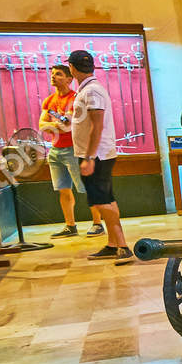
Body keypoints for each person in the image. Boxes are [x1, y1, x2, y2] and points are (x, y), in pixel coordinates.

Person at [67, 49, 130, 263]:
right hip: (95, 153)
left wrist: (89, 157)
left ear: (72, 68)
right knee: (104, 199)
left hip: (97, 155)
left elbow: (97, 125)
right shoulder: (87, 90)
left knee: (103, 201)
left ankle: (123, 246)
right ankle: (113, 244)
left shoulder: (92, 91)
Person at [37, 65, 92, 238]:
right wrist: (55, 126)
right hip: (55, 150)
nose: (53, 77)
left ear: (69, 79)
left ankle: (98, 223)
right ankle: (70, 226)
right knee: (63, 190)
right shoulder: (49, 100)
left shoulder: (75, 98)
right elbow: (41, 125)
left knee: (86, 188)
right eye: (52, 74)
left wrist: (53, 125)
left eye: (58, 74)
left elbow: (67, 127)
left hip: (74, 149)